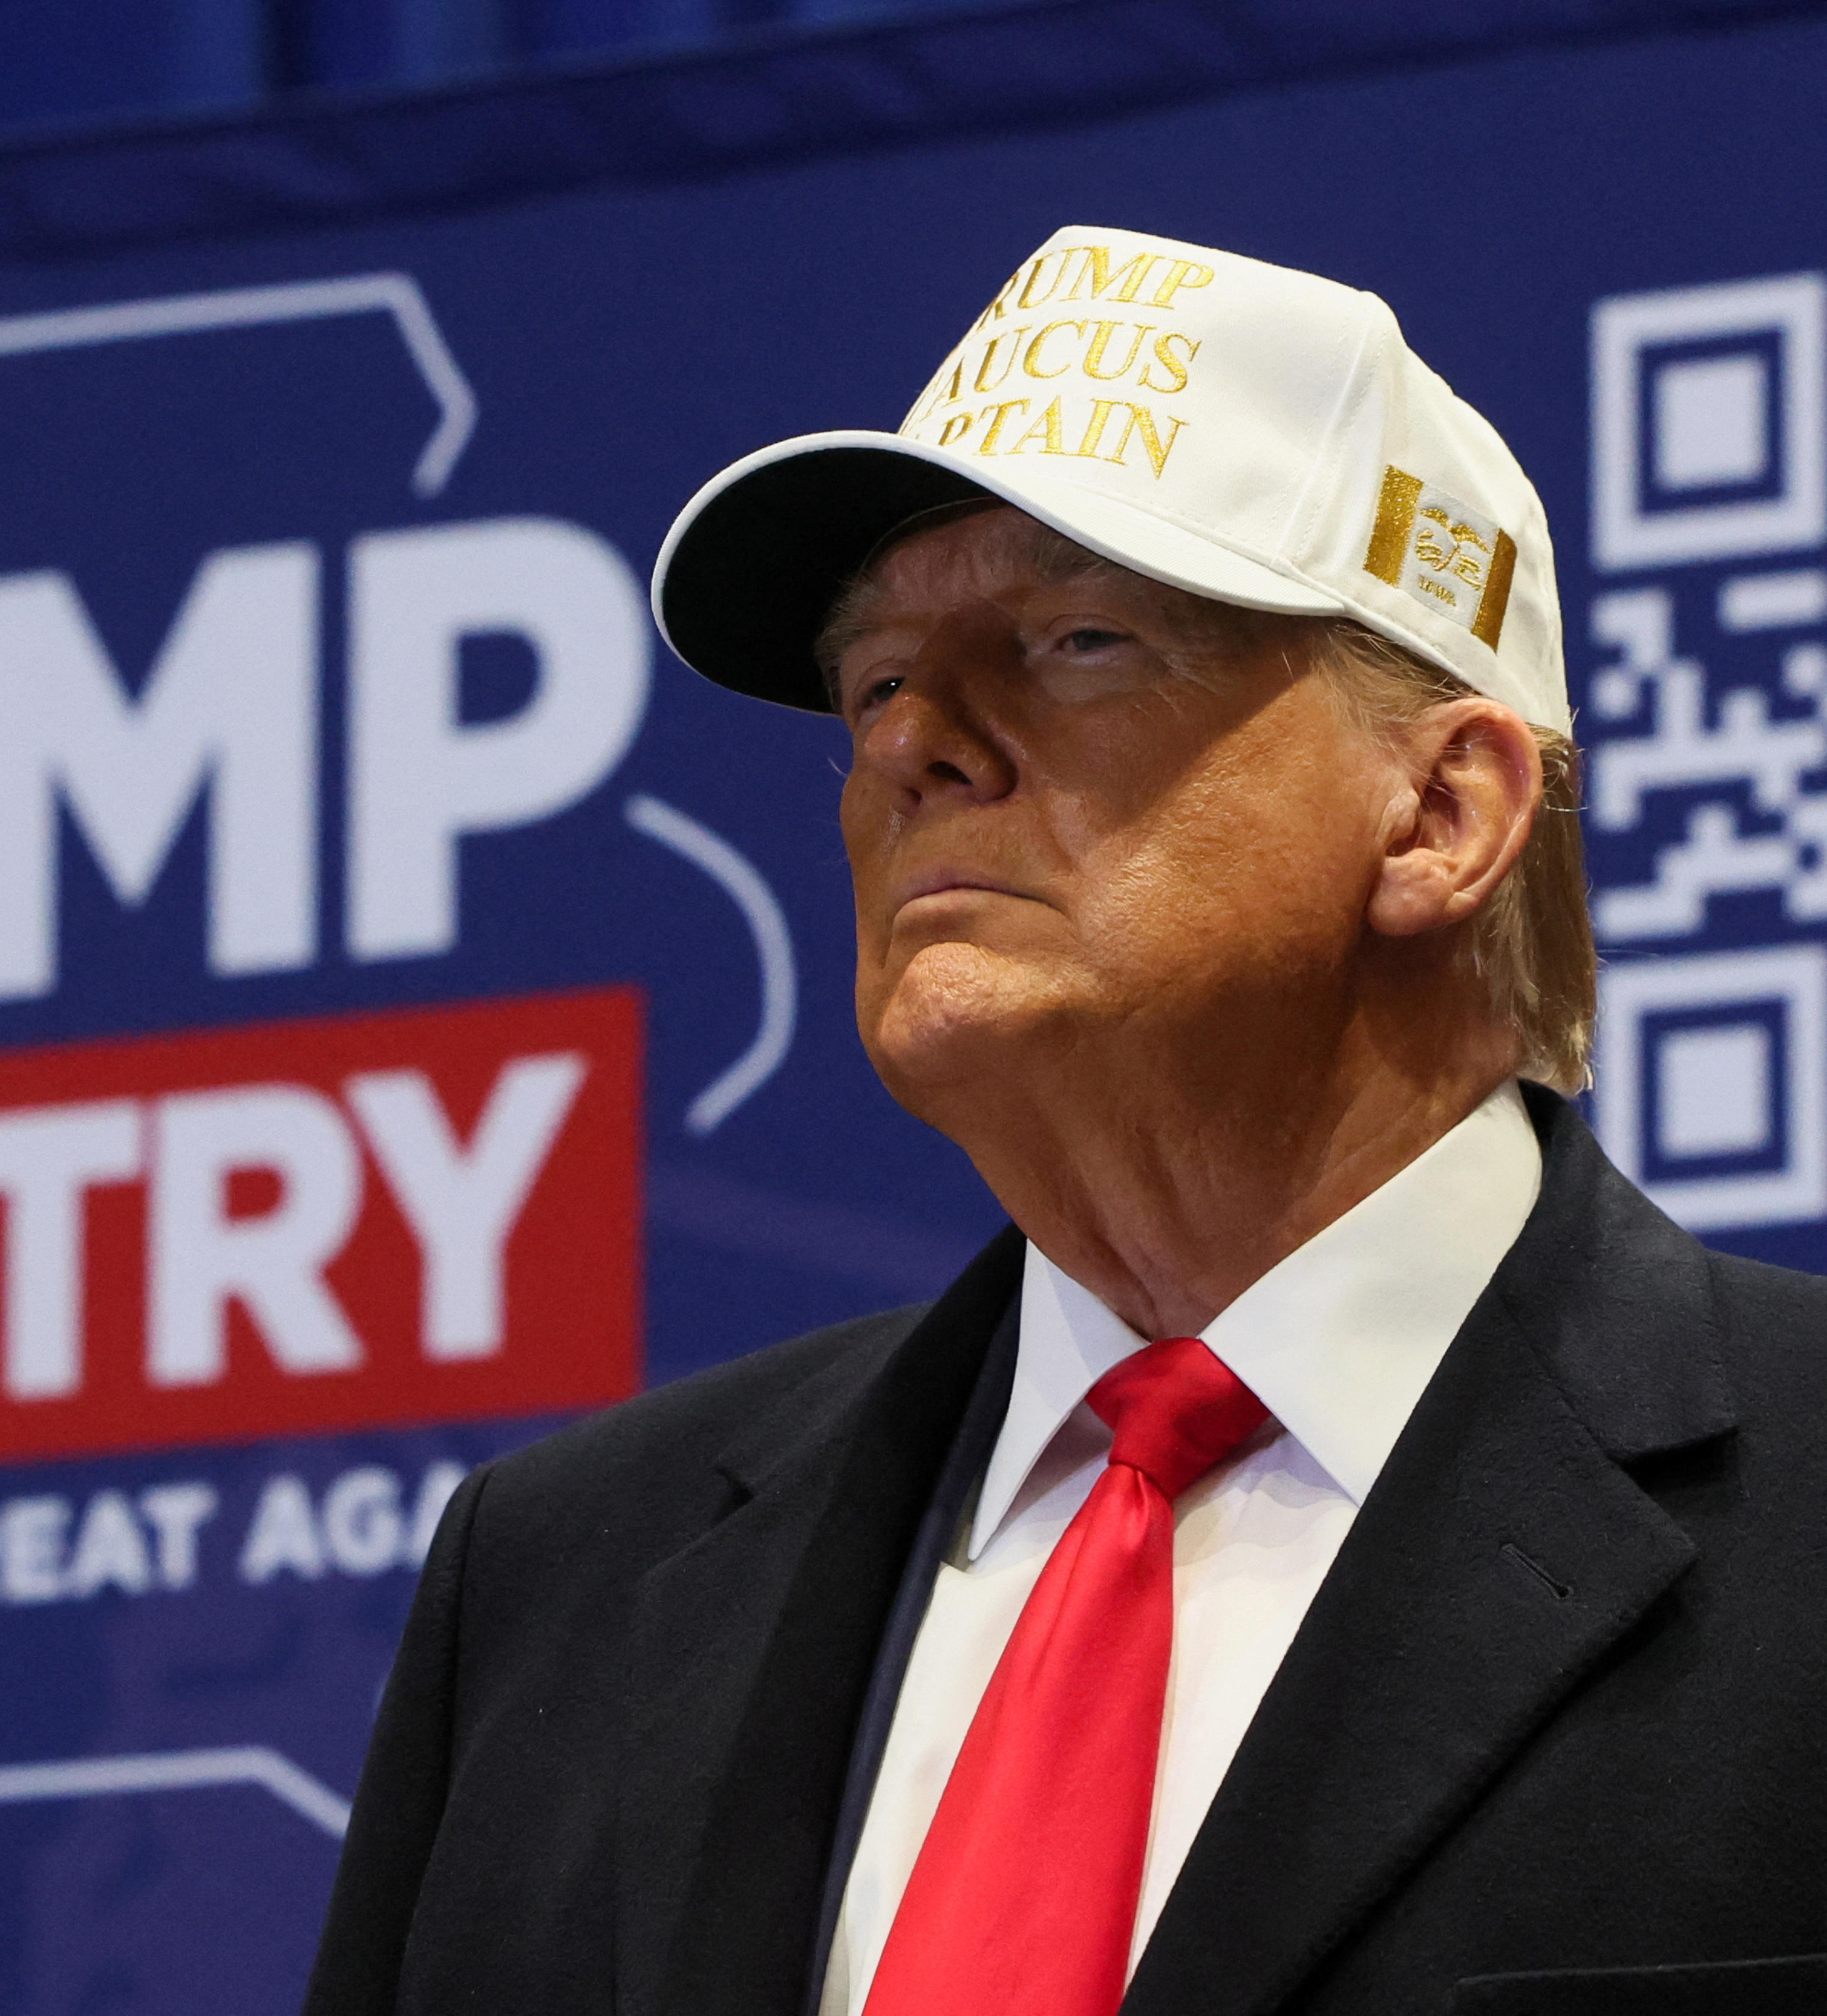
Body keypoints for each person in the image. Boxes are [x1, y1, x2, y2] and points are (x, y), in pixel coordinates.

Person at [299, 226, 1827, 2016]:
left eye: (1077, 639)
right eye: (877, 682)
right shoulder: (562, 1580)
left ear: (1439, 811)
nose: (912, 745)